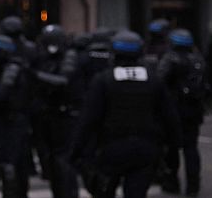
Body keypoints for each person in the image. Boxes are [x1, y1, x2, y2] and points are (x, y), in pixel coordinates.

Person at [71, 30, 181, 198]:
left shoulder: (103, 80)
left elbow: (88, 120)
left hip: (110, 149)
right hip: (145, 149)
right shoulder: (153, 80)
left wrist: (76, 152)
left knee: (104, 190)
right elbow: (170, 118)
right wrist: (172, 149)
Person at [32, 25, 81, 198]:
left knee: (63, 161)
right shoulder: (43, 57)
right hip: (48, 114)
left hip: (65, 115)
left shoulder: (69, 56)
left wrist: (35, 75)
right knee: (51, 161)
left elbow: (64, 81)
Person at [158, 28, 207, 196]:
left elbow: (159, 82)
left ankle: (172, 182)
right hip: (194, 110)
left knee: (171, 148)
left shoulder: (170, 59)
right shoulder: (198, 60)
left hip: (174, 110)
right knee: (191, 148)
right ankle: (193, 186)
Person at [0, 35, 31, 198]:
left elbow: (0, 95)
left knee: (12, 166)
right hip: (3, 122)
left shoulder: (12, 69)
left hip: (13, 123)